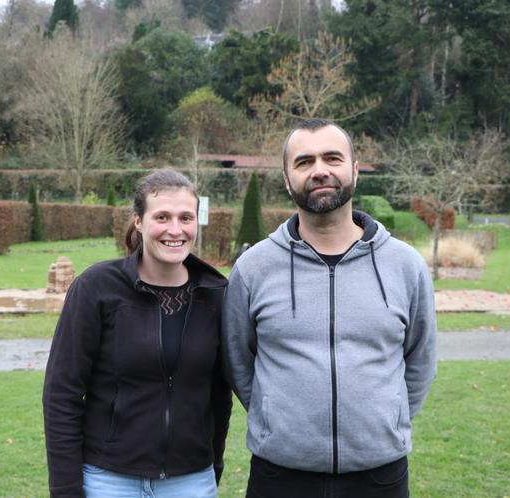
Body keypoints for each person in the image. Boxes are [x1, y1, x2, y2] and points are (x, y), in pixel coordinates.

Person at [222, 118, 437, 498]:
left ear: (354, 170)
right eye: (304, 162)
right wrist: (277, 420)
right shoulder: (254, 268)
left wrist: (387, 419)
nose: (319, 170)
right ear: (287, 179)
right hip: (280, 476)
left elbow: (419, 359)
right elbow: (239, 360)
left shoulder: (405, 265)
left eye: (332, 158)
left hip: (379, 476)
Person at [43, 169, 232, 498]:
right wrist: (66, 488)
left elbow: (219, 395)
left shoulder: (216, 294)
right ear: (139, 222)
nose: (175, 229)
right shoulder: (97, 288)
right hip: (108, 480)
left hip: (190, 481)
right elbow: (62, 394)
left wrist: (211, 466)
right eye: (162, 217)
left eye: (185, 217)